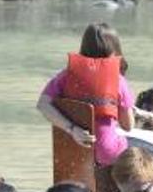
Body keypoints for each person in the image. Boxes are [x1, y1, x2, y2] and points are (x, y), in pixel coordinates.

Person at [36, 22, 135, 167]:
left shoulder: (67, 75)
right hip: (106, 154)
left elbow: (43, 104)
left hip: (71, 152)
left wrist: (72, 129)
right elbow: (128, 126)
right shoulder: (118, 81)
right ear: (114, 50)